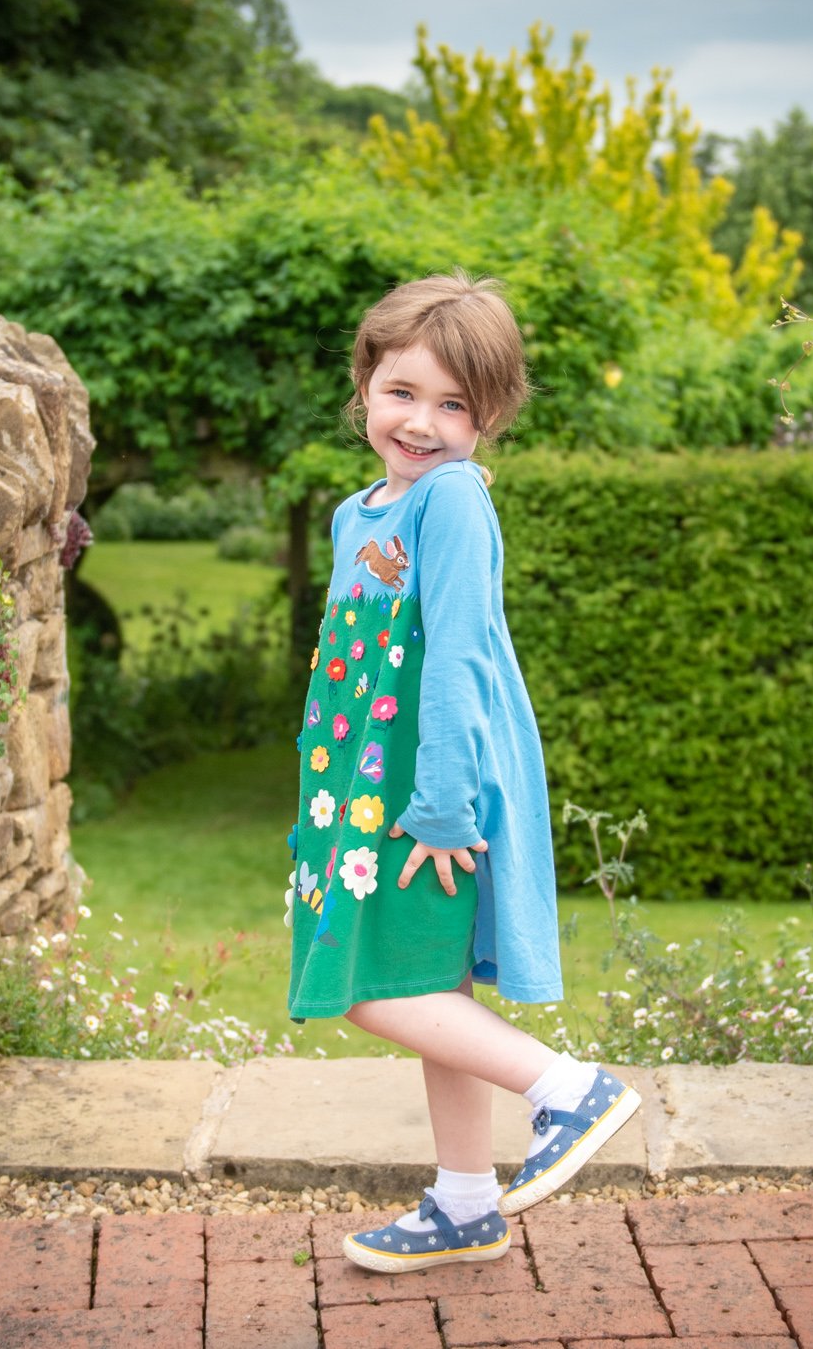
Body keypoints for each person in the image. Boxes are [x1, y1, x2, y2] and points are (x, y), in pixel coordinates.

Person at [282, 270, 640, 1275]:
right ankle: (465, 1201)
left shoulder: (449, 501)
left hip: (425, 795)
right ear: (364, 385)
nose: (425, 424)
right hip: (361, 787)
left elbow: (459, 658)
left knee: (361, 983)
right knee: (432, 983)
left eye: (455, 406)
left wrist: (436, 806)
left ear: (488, 416)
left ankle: (568, 1087)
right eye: (404, 394)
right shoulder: (362, 512)